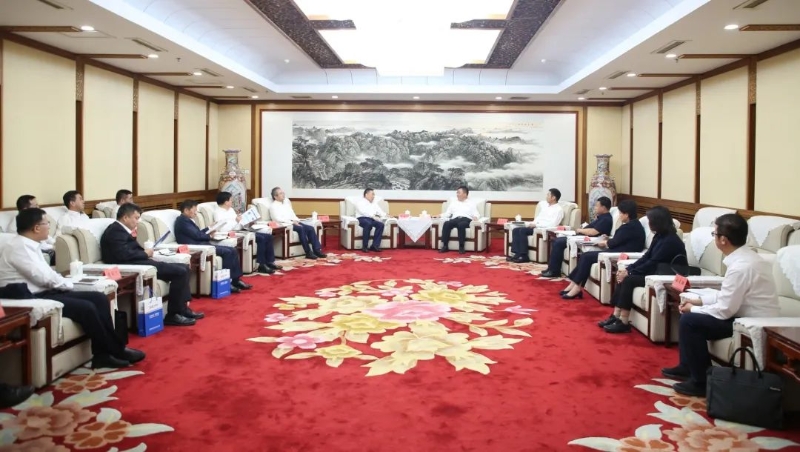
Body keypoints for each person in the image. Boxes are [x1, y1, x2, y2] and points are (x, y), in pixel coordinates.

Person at [0, 208, 145, 368]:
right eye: (47, 223)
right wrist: (69, 284)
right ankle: (106, 354)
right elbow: (43, 277)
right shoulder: (18, 247)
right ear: (36, 228)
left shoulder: (31, 245)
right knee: (87, 307)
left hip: (45, 290)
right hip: (31, 296)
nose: (49, 227)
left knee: (99, 298)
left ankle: (114, 350)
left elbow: (48, 274)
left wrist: (66, 282)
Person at [662, 214, 780, 397]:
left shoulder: (741, 267)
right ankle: (687, 367)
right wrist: (700, 301)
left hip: (751, 323)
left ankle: (701, 382)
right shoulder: (745, 258)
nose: (714, 237)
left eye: (714, 234)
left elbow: (725, 310)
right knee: (690, 316)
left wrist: (693, 309)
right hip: (741, 313)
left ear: (723, 240)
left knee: (690, 321)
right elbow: (728, 295)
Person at [100, 203, 200, 327]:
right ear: (125, 217)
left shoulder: (121, 230)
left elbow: (129, 251)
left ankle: (183, 309)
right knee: (180, 272)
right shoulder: (115, 231)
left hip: (139, 262)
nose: (138, 222)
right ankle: (173, 314)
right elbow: (123, 255)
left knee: (183, 267)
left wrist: (146, 253)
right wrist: (145, 253)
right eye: (136, 218)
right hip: (134, 266)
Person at [600, 206, 687, 334]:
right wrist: (628, 269)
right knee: (625, 276)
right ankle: (616, 315)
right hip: (654, 271)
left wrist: (629, 273)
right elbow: (646, 257)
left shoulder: (670, 240)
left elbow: (653, 262)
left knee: (628, 279)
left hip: (666, 275)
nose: (649, 224)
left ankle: (624, 321)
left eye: (650, 221)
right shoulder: (659, 236)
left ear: (658, 221)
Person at [560, 200, 646, 299]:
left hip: (621, 253)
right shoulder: (633, 225)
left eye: (620, 213)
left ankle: (576, 287)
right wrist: (608, 239)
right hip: (618, 250)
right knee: (585, 256)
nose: (619, 216)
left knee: (586, 257)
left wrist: (605, 242)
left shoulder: (629, 227)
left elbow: (613, 243)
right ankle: (574, 285)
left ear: (626, 214)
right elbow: (620, 240)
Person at [174, 199, 255, 293]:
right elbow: (197, 235)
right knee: (227, 252)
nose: (196, 213)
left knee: (232, 250)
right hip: (197, 246)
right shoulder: (182, 221)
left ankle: (236, 280)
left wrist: (210, 228)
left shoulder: (187, 220)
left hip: (202, 243)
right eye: (194, 210)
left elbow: (197, 233)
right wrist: (209, 236)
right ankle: (228, 282)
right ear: (186, 210)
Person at [541, 196, 613, 278]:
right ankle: (551, 268)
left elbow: (593, 232)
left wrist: (580, 230)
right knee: (556, 240)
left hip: (589, 239)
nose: (595, 208)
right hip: (582, 237)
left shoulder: (606, 219)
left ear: (603, 207)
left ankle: (554, 271)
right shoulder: (601, 217)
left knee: (558, 242)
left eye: (597, 206)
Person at [213, 192, 280, 274]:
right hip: (230, 234)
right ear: (226, 202)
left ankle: (270, 261)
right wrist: (236, 221)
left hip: (240, 229)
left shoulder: (231, 210)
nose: (232, 202)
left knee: (268, 236)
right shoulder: (218, 213)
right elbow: (223, 229)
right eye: (231, 200)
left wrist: (247, 221)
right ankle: (261, 265)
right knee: (261, 238)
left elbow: (238, 224)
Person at [269, 187, 326, 260]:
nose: (283, 194)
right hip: (285, 224)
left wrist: (297, 220)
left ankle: (317, 250)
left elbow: (292, 214)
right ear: (275, 196)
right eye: (280, 193)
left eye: (283, 192)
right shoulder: (273, 206)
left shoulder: (286, 203)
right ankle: (308, 252)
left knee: (310, 228)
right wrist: (292, 222)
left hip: (294, 222)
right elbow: (277, 219)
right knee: (301, 228)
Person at [509, 188, 564, 263]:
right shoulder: (545, 207)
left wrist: (536, 225)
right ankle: (516, 254)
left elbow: (553, 224)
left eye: (548, 195)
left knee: (522, 231)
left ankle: (523, 255)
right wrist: (531, 224)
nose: (546, 197)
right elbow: (538, 218)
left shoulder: (558, 210)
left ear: (553, 197)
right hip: (535, 226)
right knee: (516, 230)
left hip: (542, 229)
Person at [10, 195, 56, 262]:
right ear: (25, 209)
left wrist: (56, 243)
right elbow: (31, 244)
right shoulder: (16, 225)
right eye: (35, 205)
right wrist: (53, 247)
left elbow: (47, 238)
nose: (38, 207)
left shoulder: (34, 220)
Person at [439, 186, 480, 254]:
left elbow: (476, 213)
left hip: (466, 220)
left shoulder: (471, 203)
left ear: (465, 194)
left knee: (461, 225)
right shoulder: (453, 203)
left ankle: (461, 246)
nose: (457, 194)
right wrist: (439, 215)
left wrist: (476, 217)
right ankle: (445, 246)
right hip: (455, 219)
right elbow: (447, 213)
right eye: (457, 193)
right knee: (447, 223)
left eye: (459, 193)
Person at [355, 188, 387, 252]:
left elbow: (380, 211)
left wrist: (386, 215)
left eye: (374, 194)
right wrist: (372, 216)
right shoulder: (360, 202)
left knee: (380, 225)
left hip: (371, 219)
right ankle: (365, 246)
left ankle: (375, 246)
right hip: (362, 218)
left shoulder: (374, 203)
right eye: (372, 194)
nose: (373, 196)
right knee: (368, 224)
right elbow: (363, 212)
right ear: (366, 195)